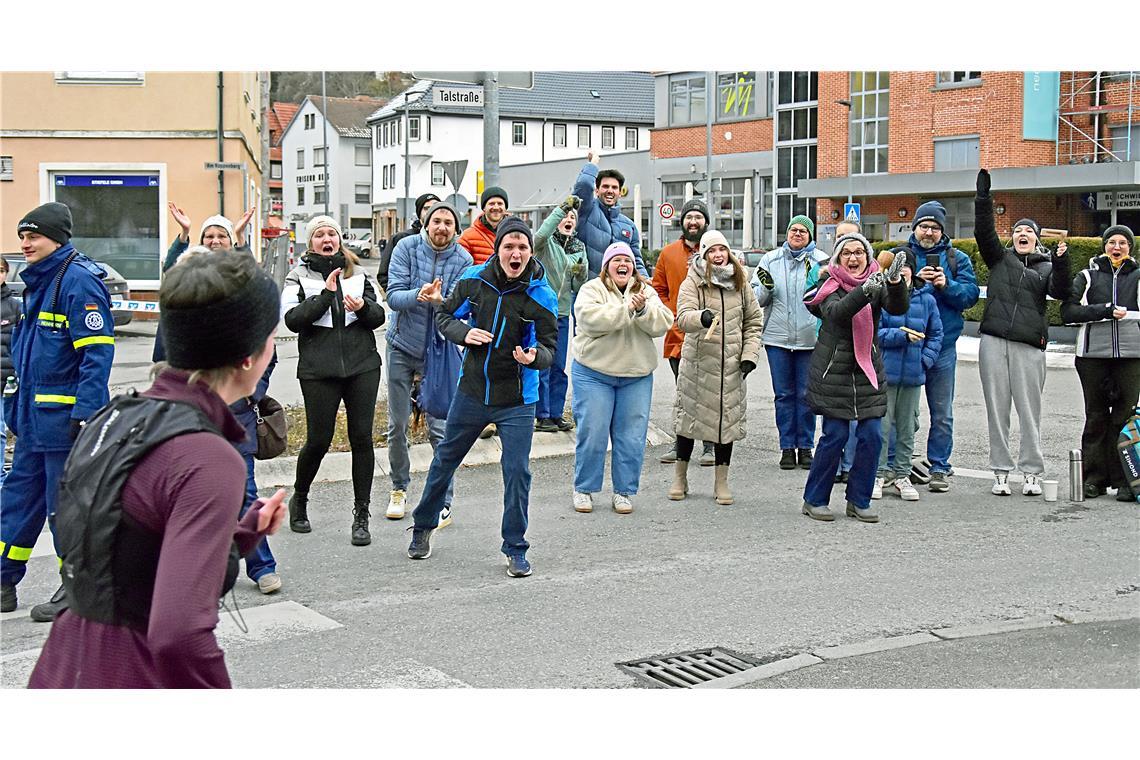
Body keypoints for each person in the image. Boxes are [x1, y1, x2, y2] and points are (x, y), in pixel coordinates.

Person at [27, 250, 286, 688]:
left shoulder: (119, 417)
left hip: (63, 664)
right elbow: (179, 635)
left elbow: (125, 549)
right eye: (271, 336)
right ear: (249, 356)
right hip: (132, 675)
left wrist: (244, 532)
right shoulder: (207, 456)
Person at [406, 216, 558, 578]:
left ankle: (515, 547)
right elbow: (444, 315)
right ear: (498, 249)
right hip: (473, 391)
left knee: (517, 471)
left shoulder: (542, 294)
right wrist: (464, 333)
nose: (516, 252)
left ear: (530, 251)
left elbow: (551, 348)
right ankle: (423, 526)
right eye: (509, 246)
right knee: (445, 461)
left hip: (519, 398)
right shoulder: (474, 280)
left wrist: (534, 357)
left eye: (522, 246)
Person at [1, 202, 115, 620]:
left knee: (62, 507)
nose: (25, 244)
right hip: (34, 420)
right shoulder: (37, 282)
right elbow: (24, 356)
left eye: (33, 236)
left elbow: (97, 355)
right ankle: (2, 578)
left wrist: (85, 413)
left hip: (63, 421)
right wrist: (15, 401)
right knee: (17, 500)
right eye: (22, 237)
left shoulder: (76, 282)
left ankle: (78, 588)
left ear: (57, 238)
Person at [172, 245, 283, 593]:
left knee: (243, 492)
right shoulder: (178, 320)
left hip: (236, 419)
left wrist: (252, 391)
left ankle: (262, 566)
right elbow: (165, 362)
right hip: (189, 417)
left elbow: (269, 355)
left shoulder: (241, 311)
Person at [281, 215, 386, 545]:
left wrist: (362, 307)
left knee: (361, 438)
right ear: (310, 242)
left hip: (362, 366)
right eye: (319, 235)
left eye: (332, 234)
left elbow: (379, 315)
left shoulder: (358, 272)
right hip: (318, 370)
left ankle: (362, 514)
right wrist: (326, 296)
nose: (327, 239)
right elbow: (292, 320)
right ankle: (299, 499)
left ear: (339, 240)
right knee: (318, 440)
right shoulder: (298, 275)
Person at [973, 169, 1071, 496]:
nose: (1022, 234)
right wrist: (984, 199)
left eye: (1028, 231)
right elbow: (985, 232)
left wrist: (1062, 261)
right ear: (1012, 238)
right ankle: (1000, 471)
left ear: (1037, 238)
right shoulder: (1000, 260)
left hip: (1029, 347)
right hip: (993, 342)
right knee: (997, 409)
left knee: (1030, 412)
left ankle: (1031, 472)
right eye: (1018, 231)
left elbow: (1060, 291)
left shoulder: (1045, 267)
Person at [800, 234, 908, 523]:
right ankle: (814, 499)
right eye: (846, 252)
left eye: (859, 252)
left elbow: (898, 308)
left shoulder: (876, 280)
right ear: (838, 258)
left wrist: (895, 283)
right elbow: (836, 313)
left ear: (867, 256)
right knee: (835, 436)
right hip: (833, 372)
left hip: (866, 371)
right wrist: (865, 292)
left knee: (872, 435)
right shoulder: (828, 284)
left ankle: (858, 500)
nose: (853, 257)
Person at [383, 202, 472, 521]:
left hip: (440, 352)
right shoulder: (405, 247)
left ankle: (442, 496)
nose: (442, 227)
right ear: (426, 223)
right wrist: (418, 295)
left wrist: (442, 302)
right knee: (397, 425)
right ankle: (399, 488)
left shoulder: (464, 259)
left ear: (455, 229)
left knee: (441, 429)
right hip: (401, 346)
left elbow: (462, 308)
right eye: (437, 221)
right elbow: (393, 296)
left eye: (449, 222)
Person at [571, 242, 673, 513]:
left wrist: (642, 311)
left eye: (627, 260)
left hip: (636, 376)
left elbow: (664, 322)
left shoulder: (645, 291)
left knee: (632, 437)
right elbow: (590, 320)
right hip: (594, 374)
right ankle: (584, 488)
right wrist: (627, 308)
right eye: (616, 260)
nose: (622, 265)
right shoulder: (591, 289)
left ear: (633, 267)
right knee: (592, 432)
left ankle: (623, 492)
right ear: (606, 266)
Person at [671, 230, 763, 506]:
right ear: (705, 255)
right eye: (712, 251)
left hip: (731, 365)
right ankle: (680, 477)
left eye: (722, 250)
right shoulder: (694, 282)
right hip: (699, 364)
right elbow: (683, 318)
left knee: (727, 422)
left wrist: (750, 355)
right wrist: (703, 317)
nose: (718, 255)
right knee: (688, 420)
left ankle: (721, 481)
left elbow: (754, 321)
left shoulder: (741, 282)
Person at [903, 201, 980, 493]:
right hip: (907, 345)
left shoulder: (956, 258)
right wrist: (916, 284)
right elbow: (889, 290)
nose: (929, 232)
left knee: (942, 411)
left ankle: (939, 466)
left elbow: (970, 296)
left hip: (944, 344)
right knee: (903, 411)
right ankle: (901, 462)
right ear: (915, 228)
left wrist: (946, 284)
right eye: (924, 226)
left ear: (941, 231)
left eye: (934, 228)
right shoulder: (903, 255)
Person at [1061, 225, 1140, 502]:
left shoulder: (1139, 276)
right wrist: (1105, 311)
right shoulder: (1088, 276)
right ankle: (1094, 479)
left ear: (1130, 248)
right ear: (1104, 246)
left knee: (1124, 419)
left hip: (1131, 358)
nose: (1116, 247)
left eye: (1123, 243)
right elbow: (1068, 311)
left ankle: (1124, 481)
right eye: (1111, 242)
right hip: (1092, 357)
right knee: (1095, 417)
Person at [750, 215, 830, 471]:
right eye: (793, 230)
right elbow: (755, 299)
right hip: (777, 339)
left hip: (810, 340)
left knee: (806, 395)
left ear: (810, 235)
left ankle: (805, 447)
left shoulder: (821, 260)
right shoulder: (770, 260)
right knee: (783, 395)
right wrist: (765, 288)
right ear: (786, 233)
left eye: (803, 231)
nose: (797, 234)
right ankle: (787, 447)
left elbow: (828, 297)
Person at [872, 250, 943, 502]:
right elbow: (874, 333)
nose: (901, 272)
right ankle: (878, 474)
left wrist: (924, 361)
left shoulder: (927, 299)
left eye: (905, 267)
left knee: (907, 427)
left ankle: (902, 474)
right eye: (896, 268)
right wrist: (901, 336)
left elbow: (936, 335)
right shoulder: (881, 294)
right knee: (881, 427)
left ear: (912, 270)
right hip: (885, 373)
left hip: (914, 375)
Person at [652, 198, 716, 466]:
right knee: (683, 392)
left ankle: (710, 446)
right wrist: (674, 312)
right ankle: (681, 444)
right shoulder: (668, 254)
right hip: (678, 336)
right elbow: (658, 288)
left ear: (706, 223)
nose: (693, 222)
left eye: (698, 218)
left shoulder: (717, 251)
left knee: (710, 392)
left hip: (711, 335)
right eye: (689, 217)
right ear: (682, 222)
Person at [153, 203, 254, 363]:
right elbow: (171, 269)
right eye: (209, 236)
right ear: (202, 241)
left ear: (230, 241)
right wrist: (185, 232)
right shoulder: (190, 265)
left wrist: (240, 235)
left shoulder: (235, 270)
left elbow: (250, 275)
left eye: (222, 236)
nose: (215, 241)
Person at [533, 196, 588, 433]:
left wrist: (581, 272)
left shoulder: (579, 248)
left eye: (572, 217)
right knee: (542, 364)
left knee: (558, 366)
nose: (568, 219)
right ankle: (541, 414)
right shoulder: (546, 244)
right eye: (565, 216)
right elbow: (539, 235)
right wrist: (563, 208)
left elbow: (577, 286)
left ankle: (555, 414)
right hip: (541, 311)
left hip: (563, 313)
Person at [573, 152, 648, 277]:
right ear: (597, 190)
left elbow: (636, 261)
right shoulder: (586, 210)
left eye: (614, 187)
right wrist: (593, 164)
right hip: (588, 290)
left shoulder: (629, 226)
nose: (610, 191)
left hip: (617, 293)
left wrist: (645, 281)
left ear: (620, 193)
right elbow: (584, 185)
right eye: (605, 186)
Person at [379, 192, 441, 292]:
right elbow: (384, 274)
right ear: (419, 213)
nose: (431, 211)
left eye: (436, 207)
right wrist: (399, 296)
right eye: (426, 208)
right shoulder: (401, 238)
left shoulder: (445, 240)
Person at [1, 255, 22, 486]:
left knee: (1, 431)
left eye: (0, 270)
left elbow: (20, 344)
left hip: (6, 380)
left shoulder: (15, 306)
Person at [458, 186, 509, 266]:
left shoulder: (515, 234)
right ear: (484, 208)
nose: (496, 207)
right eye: (491, 204)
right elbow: (461, 270)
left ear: (505, 208)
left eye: (500, 203)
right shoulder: (467, 237)